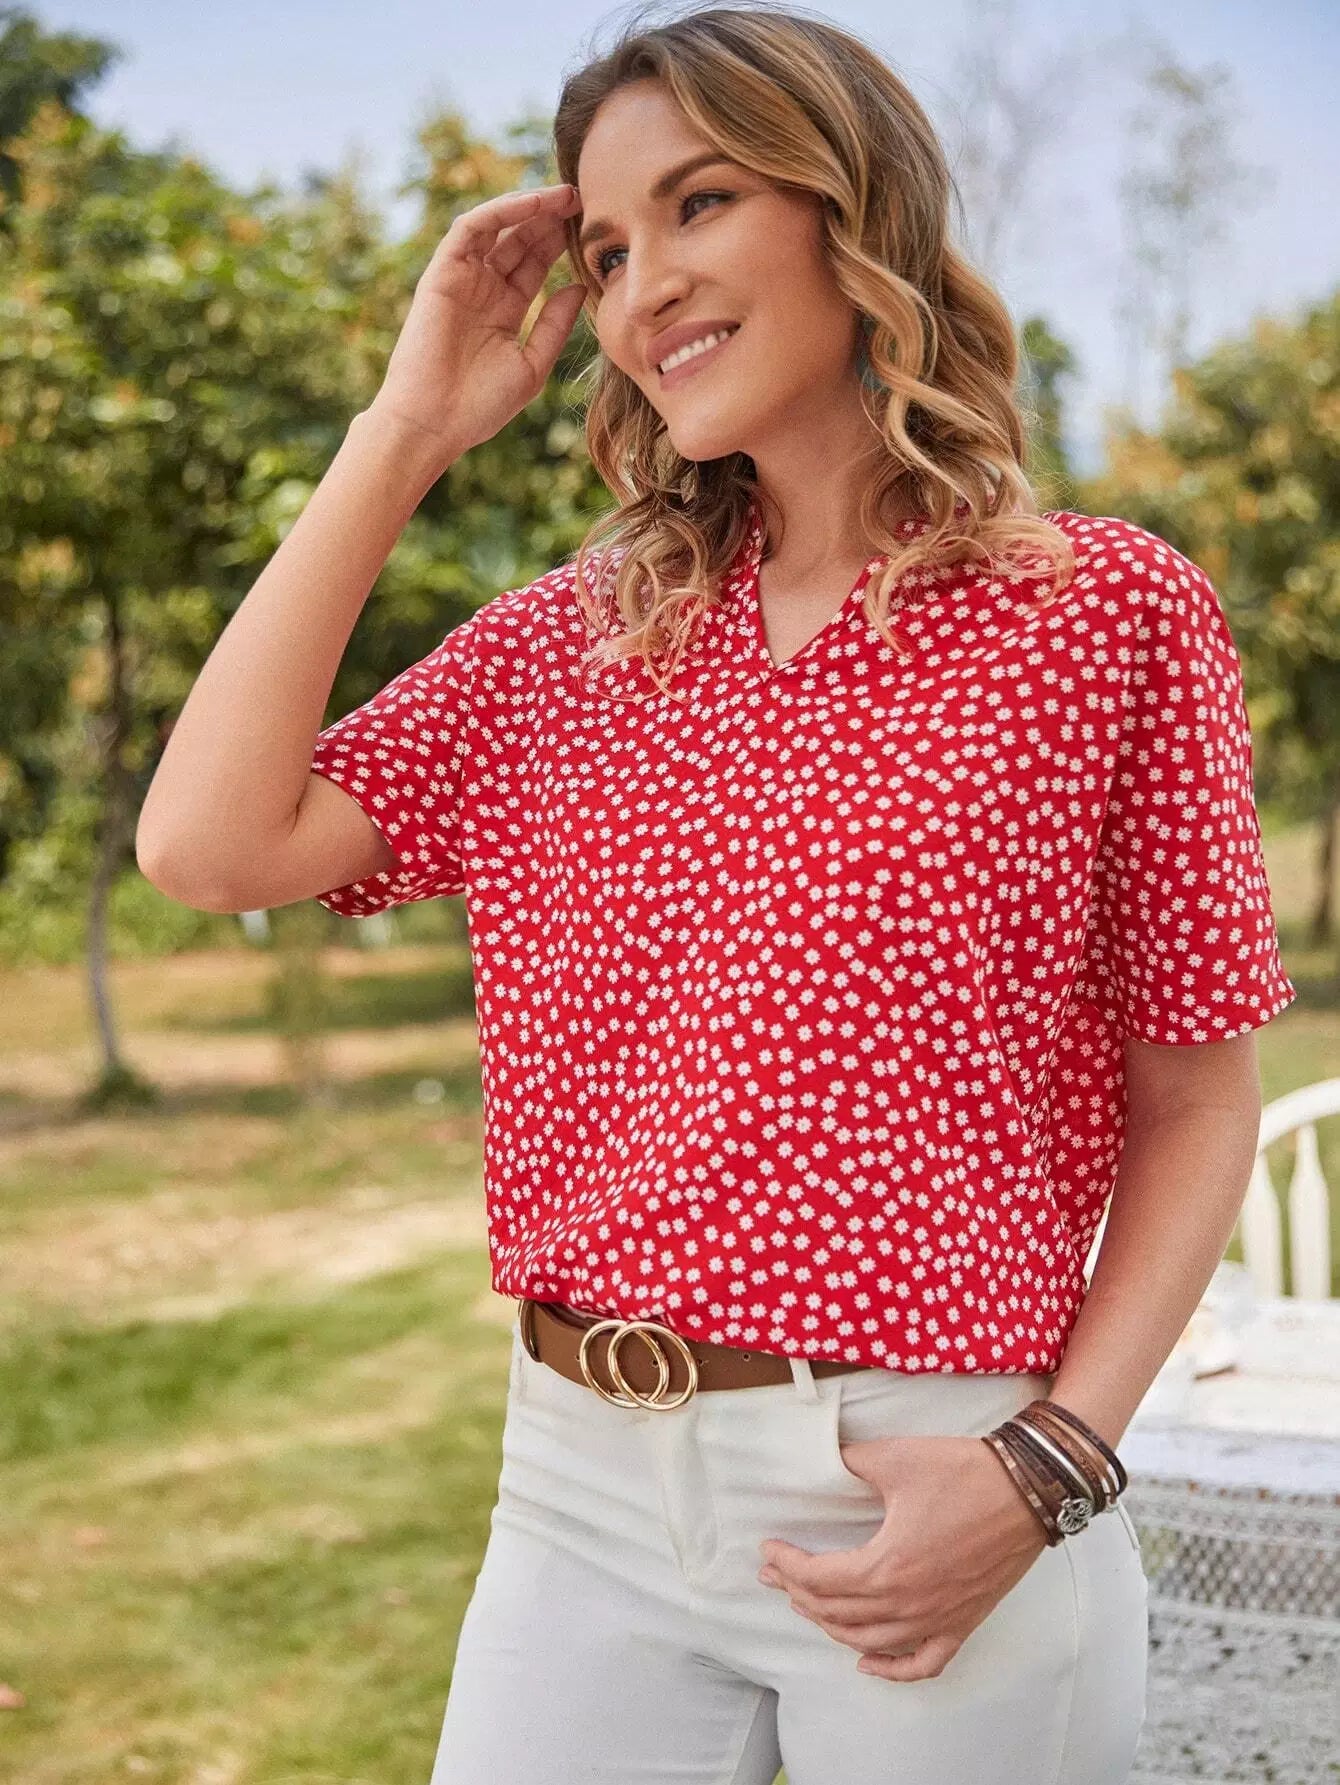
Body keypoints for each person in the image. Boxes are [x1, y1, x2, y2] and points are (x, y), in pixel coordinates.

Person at [135, 4, 1298, 1781]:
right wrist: (407, 424)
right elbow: (208, 846)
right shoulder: (573, 642)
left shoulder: (1102, 613)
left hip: (934, 1473)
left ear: (852, 209)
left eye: (699, 204)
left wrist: (1050, 1463)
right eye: (606, 250)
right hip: (578, 1481)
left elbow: (1198, 1095)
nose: (643, 286)